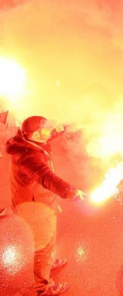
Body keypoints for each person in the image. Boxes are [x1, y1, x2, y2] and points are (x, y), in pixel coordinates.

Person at [6, 116, 85, 296]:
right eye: (46, 130)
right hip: (34, 207)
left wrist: (69, 124)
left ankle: (49, 260)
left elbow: (51, 134)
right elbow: (45, 176)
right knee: (43, 246)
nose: (50, 132)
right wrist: (70, 191)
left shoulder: (26, 139)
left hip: (38, 201)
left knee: (47, 242)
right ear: (35, 133)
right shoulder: (27, 157)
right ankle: (43, 288)